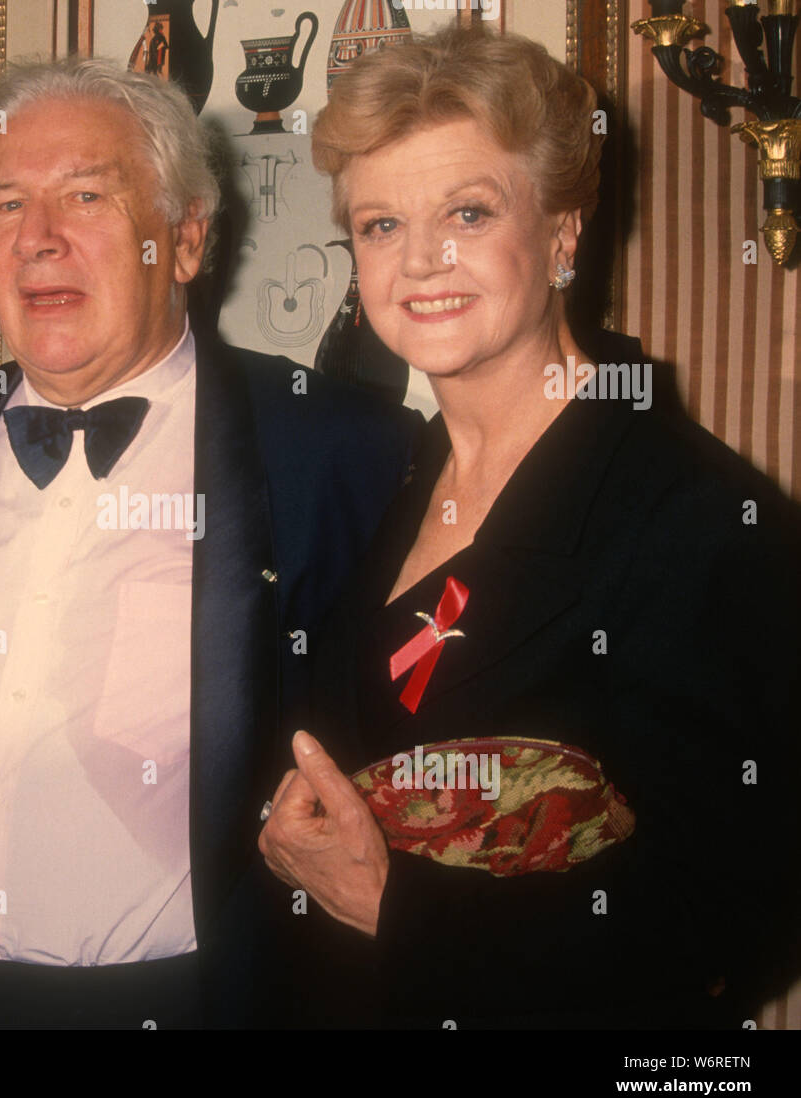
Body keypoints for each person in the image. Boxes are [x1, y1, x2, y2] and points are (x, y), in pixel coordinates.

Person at [0, 57, 421, 1028]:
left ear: (185, 240)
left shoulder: (335, 452)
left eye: (86, 196)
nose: (39, 240)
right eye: (8, 203)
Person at [258, 26, 801, 1029]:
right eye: (379, 225)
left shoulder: (694, 516)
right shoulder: (390, 471)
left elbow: (736, 911)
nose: (420, 259)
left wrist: (397, 909)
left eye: (467, 211)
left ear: (560, 233)